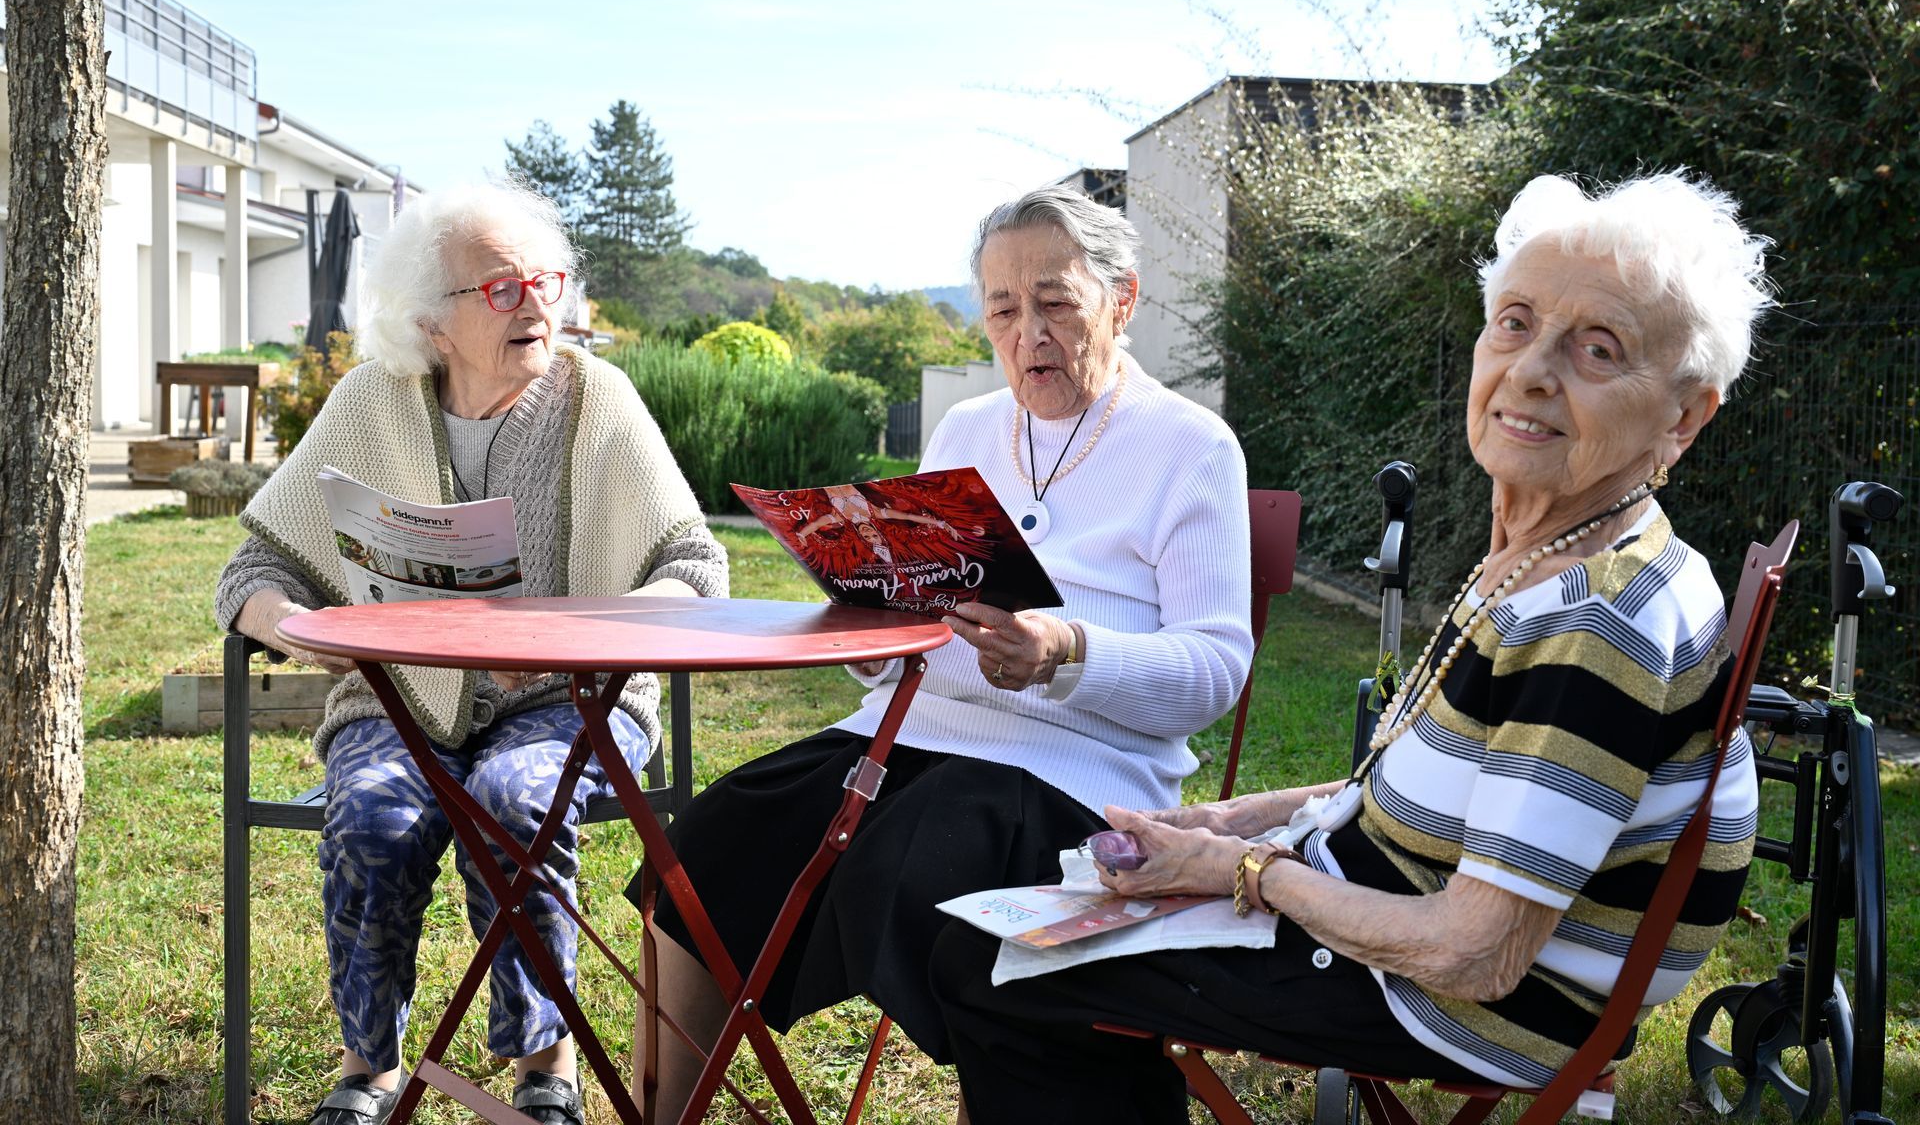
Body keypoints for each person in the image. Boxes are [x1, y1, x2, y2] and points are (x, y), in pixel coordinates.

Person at [926, 172, 1777, 1122]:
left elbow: (1474, 954)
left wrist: (1243, 873)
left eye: (1598, 349)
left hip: (1453, 1002)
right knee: (1026, 933)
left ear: (1684, 416)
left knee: (990, 966)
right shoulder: (1551, 554)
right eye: (1516, 323)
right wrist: (1228, 823)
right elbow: (1419, 787)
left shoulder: (1596, 620)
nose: (1533, 371)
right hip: (1381, 903)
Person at [628, 185, 1255, 1119]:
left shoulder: (1189, 446)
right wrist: (870, 617)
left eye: (1055, 302)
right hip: (907, 734)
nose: (1027, 333)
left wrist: (1064, 651)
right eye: (1003, 309)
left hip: (1074, 770)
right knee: (712, 843)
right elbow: (906, 622)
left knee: (928, 864)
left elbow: (1214, 668)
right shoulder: (967, 430)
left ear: (1121, 300)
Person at [214, 181, 727, 1125]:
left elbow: (694, 566)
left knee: (513, 800)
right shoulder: (375, 400)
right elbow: (252, 570)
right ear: (429, 321)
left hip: (571, 699)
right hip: (399, 700)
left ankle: (546, 1067)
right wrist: (293, 627)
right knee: (369, 813)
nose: (536, 304)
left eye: (546, 280)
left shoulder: (596, 399)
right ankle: (367, 1065)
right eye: (501, 289)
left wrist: (581, 639)